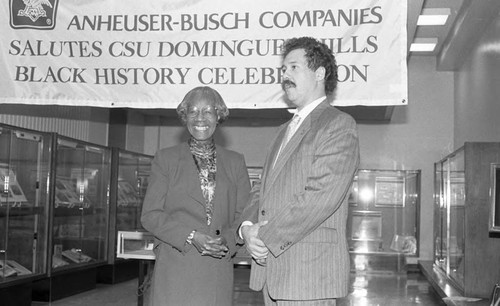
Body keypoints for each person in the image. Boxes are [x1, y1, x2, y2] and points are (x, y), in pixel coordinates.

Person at [238, 37, 360, 305]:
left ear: (319, 73)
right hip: (271, 273)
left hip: (308, 277)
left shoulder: (338, 125)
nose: (285, 75)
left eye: (294, 67)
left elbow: (320, 198)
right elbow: (261, 188)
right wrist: (247, 229)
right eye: (283, 69)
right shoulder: (283, 131)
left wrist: (265, 237)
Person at [141, 86, 251, 306]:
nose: (200, 118)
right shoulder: (165, 159)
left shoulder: (236, 161)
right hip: (175, 267)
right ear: (185, 116)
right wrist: (191, 236)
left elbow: (245, 214)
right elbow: (150, 215)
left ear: (218, 116)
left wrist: (226, 241)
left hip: (217, 268)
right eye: (193, 111)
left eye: (208, 111)